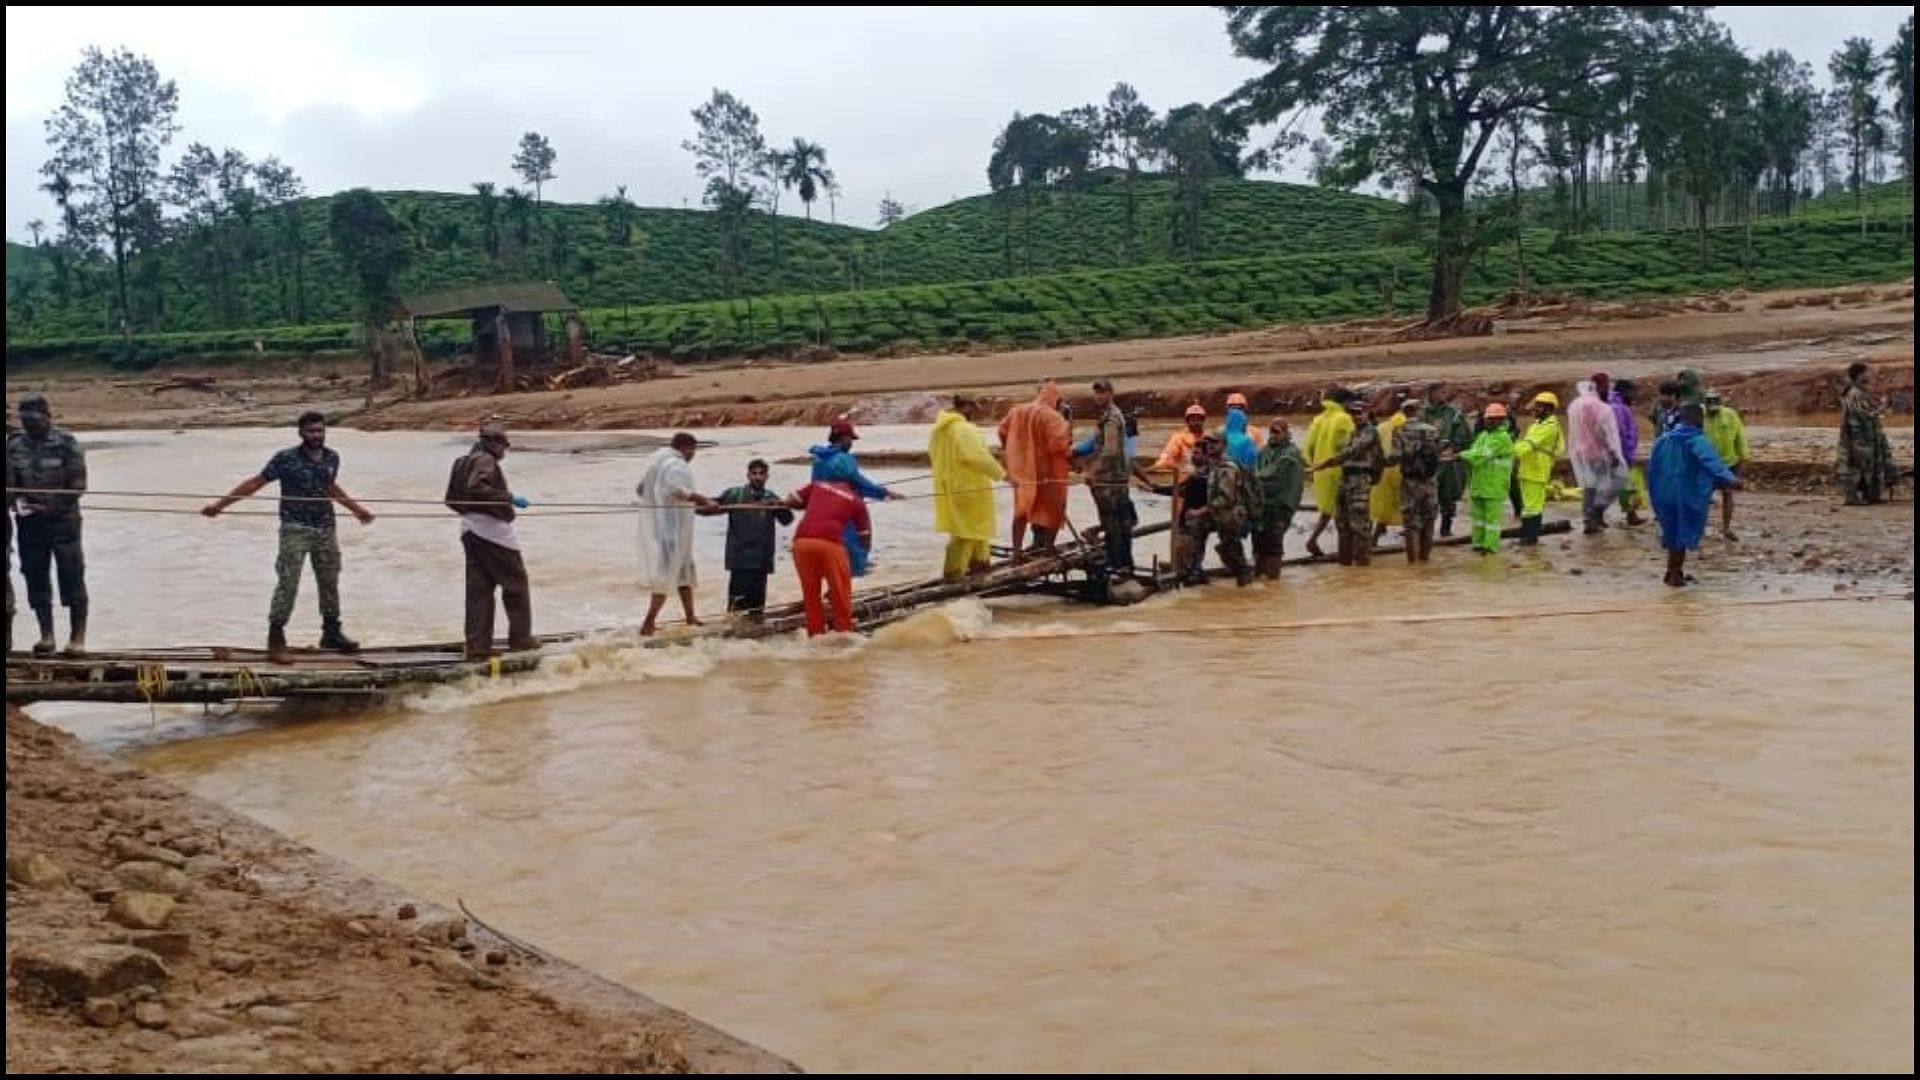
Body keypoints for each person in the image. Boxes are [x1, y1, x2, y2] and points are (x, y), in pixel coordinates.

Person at [203, 410, 374, 654]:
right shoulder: (285, 458)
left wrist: (357, 510)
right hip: (294, 528)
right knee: (288, 582)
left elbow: (329, 488)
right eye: (311, 431)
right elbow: (255, 483)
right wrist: (220, 506)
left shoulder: (332, 458)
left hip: (325, 528)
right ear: (301, 433)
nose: (316, 435)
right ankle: (276, 639)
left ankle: (331, 633)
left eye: (320, 430)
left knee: (329, 581)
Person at [444, 421, 535, 659]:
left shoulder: (461, 462)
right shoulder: (485, 460)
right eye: (504, 446)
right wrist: (510, 497)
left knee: (479, 590)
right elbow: (477, 487)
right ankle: (521, 640)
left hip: (468, 530)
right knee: (515, 584)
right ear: (494, 444)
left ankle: (477, 646)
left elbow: (450, 499)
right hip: (493, 532)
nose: (504, 451)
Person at [8, 394, 89, 656]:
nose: (30, 425)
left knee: (71, 576)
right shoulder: (14, 445)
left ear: (47, 416)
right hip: (29, 524)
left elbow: (77, 486)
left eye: (35, 419)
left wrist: (48, 506)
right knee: (35, 577)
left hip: (63, 523)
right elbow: (10, 484)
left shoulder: (66, 443)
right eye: (25, 420)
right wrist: (17, 501)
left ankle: (77, 638)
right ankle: (47, 636)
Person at [1648, 403, 1740, 587]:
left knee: (1672, 533)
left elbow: (1652, 468)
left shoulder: (1663, 440)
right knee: (1682, 534)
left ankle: (1672, 572)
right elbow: (1712, 462)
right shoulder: (1697, 440)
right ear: (1699, 420)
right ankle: (1675, 576)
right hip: (1685, 494)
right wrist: (1732, 479)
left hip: (1663, 494)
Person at [635, 432, 715, 636]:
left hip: (665, 530)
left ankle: (690, 617)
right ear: (687, 448)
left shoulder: (657, 463)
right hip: (673, 532)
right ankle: (648, 624)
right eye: (693, 450)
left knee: (685, 572)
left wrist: (660, 503)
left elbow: (640, 488)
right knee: (666, 576)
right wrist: (704, 500)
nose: (693, 455)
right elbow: (676, 489)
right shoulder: (676, 464)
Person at [699, 459, 792, 616]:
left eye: (761, 474)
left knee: (756, 610)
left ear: (767, 476)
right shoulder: (735, 494)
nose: (757, 477)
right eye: (754, 473)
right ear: (748, 475)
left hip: (761, 559)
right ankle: (733, 636)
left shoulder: (770, 497)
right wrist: (696, 504)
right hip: (740, 558)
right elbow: (710, 508)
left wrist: (780, 505)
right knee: (736, 607)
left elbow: (787, 520)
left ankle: (755, 634)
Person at [785, 472, 872, 637]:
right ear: (856, 488)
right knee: (840, 593)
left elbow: (792, 501)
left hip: (801, 543)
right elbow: (865, 538)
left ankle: (815, 635)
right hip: (829, 545)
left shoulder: (818, 485)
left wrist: (806, 505)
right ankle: (843, 634)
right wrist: (860, 559)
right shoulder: (857, 502)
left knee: (811, 594)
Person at [929, 399, 1006, 580]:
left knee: (973, 531)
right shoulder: (964, 429)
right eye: (974, 409)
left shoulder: (939, 430)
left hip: (950, 487)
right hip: (970, 488)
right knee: (966, 533)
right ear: (967, 408)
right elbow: (976, 456)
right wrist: (1002, 474)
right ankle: (954, 575)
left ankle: (979, 567)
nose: (975, 414)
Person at [997, 381, 1072, 558]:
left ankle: (1017, 552)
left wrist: (1013, 452)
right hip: (1049, 472)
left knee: (1021, 509)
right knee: (1055, 507)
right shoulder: (1053, 417)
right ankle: (1048, 548)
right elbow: (1058, 445)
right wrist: (1072, 458)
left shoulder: (1017, 411)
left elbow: (1002, 431)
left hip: (1023, 470)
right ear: (1056, 400)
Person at [808, 419, 892, 576]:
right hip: (845, 514)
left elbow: (816, 485)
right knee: (852, 552)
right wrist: (885, 493)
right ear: (844, 438)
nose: (852, 443)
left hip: (821, 515)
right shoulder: (844, 459)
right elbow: (860, 483)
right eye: (851, 439)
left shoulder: (818, 459)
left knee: (832, 559)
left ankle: (832, 591)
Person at [1072, 378, 1136, 577]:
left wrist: (1093, 472)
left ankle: (1116, 566)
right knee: (1123, 523)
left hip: (1108, 481)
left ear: (1110, 393)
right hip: (1118, 479)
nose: (1098, 396)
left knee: (1112, 525)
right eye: (1096, 392)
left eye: (1102, 392)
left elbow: (1109, 451)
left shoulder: (1111, 418)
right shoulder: (1111, 416)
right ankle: (1125, 565)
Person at [1310, 397, 1383, 566]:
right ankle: (1345, 567)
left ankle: (1362, 568)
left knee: (1360, 527)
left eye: (1359, 413)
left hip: (1360, 479)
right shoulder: (1352, 432)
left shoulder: (1370, 432)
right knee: (1342, 525)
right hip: (1345, 479)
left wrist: (1328, 462)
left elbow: (1353, 451)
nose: (1356, 416)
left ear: (1366, 414)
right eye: (1352, 413)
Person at [1566, 379, 1627, 535]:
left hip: (1582, 453)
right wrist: (1613, 453)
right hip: (1597, 454)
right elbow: (1605, 434)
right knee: (1610, 485)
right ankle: (1594, 517)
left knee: (1590, 487)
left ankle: (1591, 519)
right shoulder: (1600, 408)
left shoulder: (1575, 406)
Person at [1302, 387, 1355, 558]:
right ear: (1345, 402)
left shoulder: (1319, 419)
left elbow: (1308, 446)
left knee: (1327, 510)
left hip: (1320, 471)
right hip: (1338, 471)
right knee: (1344, 513)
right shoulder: (1344, 419)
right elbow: (1348, 446)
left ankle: (1313, 540)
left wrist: (1311, 467)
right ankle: (1346, 551)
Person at [1387, 400, 1442, 563]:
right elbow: (1437, 455)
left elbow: (1395, 457)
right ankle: (1425, 558)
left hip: (1410, 482)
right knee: (1429, 519)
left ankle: (1413, 562)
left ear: (1404, 412)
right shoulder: (1432, 430)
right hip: (1430, 482)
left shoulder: (1399, 431)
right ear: (1419, 411)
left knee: (1411, 523)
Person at [1458, 403, 1517, 555]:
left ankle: (1490, 547)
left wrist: (1460, 455)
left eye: (1493, 419)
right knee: (1478, 519)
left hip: (1494, 486)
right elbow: (1474, 451)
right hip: (1479, 484)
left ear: (1501, 420)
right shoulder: (1484, 435)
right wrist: (1465, 454)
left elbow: (1480, 456)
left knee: (1492, 521)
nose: (1489, 422)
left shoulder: (1502, 438)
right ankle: (1478, 543)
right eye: (1488, 419)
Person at [1252, 418, 1305, 579]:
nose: (1273, 435)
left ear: (1286, 433)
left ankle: (1273, 582)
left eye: (1277, 432)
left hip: (1280, 506)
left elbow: (1274, 475)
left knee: (1274, 547)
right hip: (1262, 505)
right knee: (1258, 546)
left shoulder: (1290, 453)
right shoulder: (1264, 451)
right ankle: (1260, 580)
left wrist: (1250, 479)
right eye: (1271, 431)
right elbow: (1258, 470)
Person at [1837, 361, 1895, 505]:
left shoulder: (1860, 392)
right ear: (1860, 375)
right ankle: (1852, 497)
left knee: (1871, 464)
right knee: (1858, 465)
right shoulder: (1855, 393)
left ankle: (1871, 495)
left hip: (1867, 435)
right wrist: (1881, 409)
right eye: (1867, 372)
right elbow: (1863, 414)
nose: (1870, 375)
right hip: (1858, 437)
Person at [1514, 391, 1564, 546]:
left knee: (1532, 505)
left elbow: (1529, 445)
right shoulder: (1538, 423)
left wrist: (1506, 451)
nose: (1534, 409)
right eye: (1535, 406)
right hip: (1529, 468)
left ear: (1549, 409)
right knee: (1529, 503)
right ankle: (1528, 534)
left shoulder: (1549, 426)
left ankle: (1529, 537)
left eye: (1539, 407)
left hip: (1537, 469)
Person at [1203, 434, 1254, 586]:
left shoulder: (1227, 468)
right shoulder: (1215, 465)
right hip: (1222, 516)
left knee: (1233, 552)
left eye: (1215, 442)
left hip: (1230, 516)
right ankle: (1243, 584)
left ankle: (1245, 584)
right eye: (1209, 442)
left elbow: (1227, 498)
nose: (1211, 445)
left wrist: (1208, 507)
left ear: (1224, 445)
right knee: (1230, 549)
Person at [1424, 385, 1473, 537]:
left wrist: (1453, 446)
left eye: (1445, 392)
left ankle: (1446, 529)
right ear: (1431, 394)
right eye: (1441, 392)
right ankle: (1425, 531)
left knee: (1448, 497)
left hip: (1448, 465)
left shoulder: (1454, 414)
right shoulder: (1422, 413)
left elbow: (1465, 437)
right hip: (1427, 465)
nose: (1444, 395)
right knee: (1425, 500)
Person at [1701, 391, 1749, 541]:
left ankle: (1726, 528)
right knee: (1702, 497)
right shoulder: (1699, 416)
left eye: (1716, 403)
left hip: (1728, 463)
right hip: (1706, 465)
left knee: (1728, 494)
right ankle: (1699, 528)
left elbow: (1741, 439)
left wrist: (1742, 464)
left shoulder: (1730, 415)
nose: (1713, 407)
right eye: (1710, 403)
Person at [1606, 376, 1647, 526]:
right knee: (1625, 484)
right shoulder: (1618, 408)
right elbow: (1621, 433)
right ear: (1624, 392)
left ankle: (1630, 513)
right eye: (1632, 392)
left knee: (1621, 484)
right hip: (1621, 452)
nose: (1634, 396)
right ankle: (1630, 514)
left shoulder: (1615, 405)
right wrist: (1626, 454)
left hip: (1618, 452)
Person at [1369, 398, 1409, 543]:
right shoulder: (1409, 427)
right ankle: (1413, 539)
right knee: (1408, 506)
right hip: (1403, 473)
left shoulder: (1380, 428)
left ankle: (1373, 538)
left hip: (1382, 472)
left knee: (1381, 506)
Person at [1222, 392, 1258, 470]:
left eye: (1239, 408)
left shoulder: (1255, 432)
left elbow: (1259, 453)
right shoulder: (1220, 432)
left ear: (1245, 409)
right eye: (1233, 408)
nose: (1236, 411)